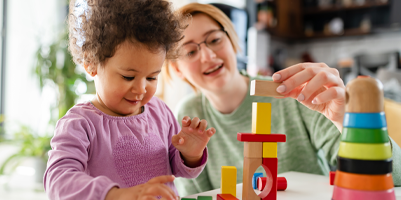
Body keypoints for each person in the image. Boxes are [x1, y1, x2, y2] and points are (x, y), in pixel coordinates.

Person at [164, 3, 401, 196]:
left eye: (214, 39)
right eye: (190, 51)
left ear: (233, 41)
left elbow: (396, 179)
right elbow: (193, 196)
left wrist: (344, 121)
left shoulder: (294, 94)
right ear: (176, 69)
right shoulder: (188, 114)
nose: (208, 55)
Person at [44, 1, 217, 200]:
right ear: (91, 63)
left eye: (152, 77)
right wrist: (116, 195)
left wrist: (190, 155)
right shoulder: (79, 124)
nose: (141, 89)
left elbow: (178, 170)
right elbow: (58, 181)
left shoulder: (160, 112)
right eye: (128, 77)